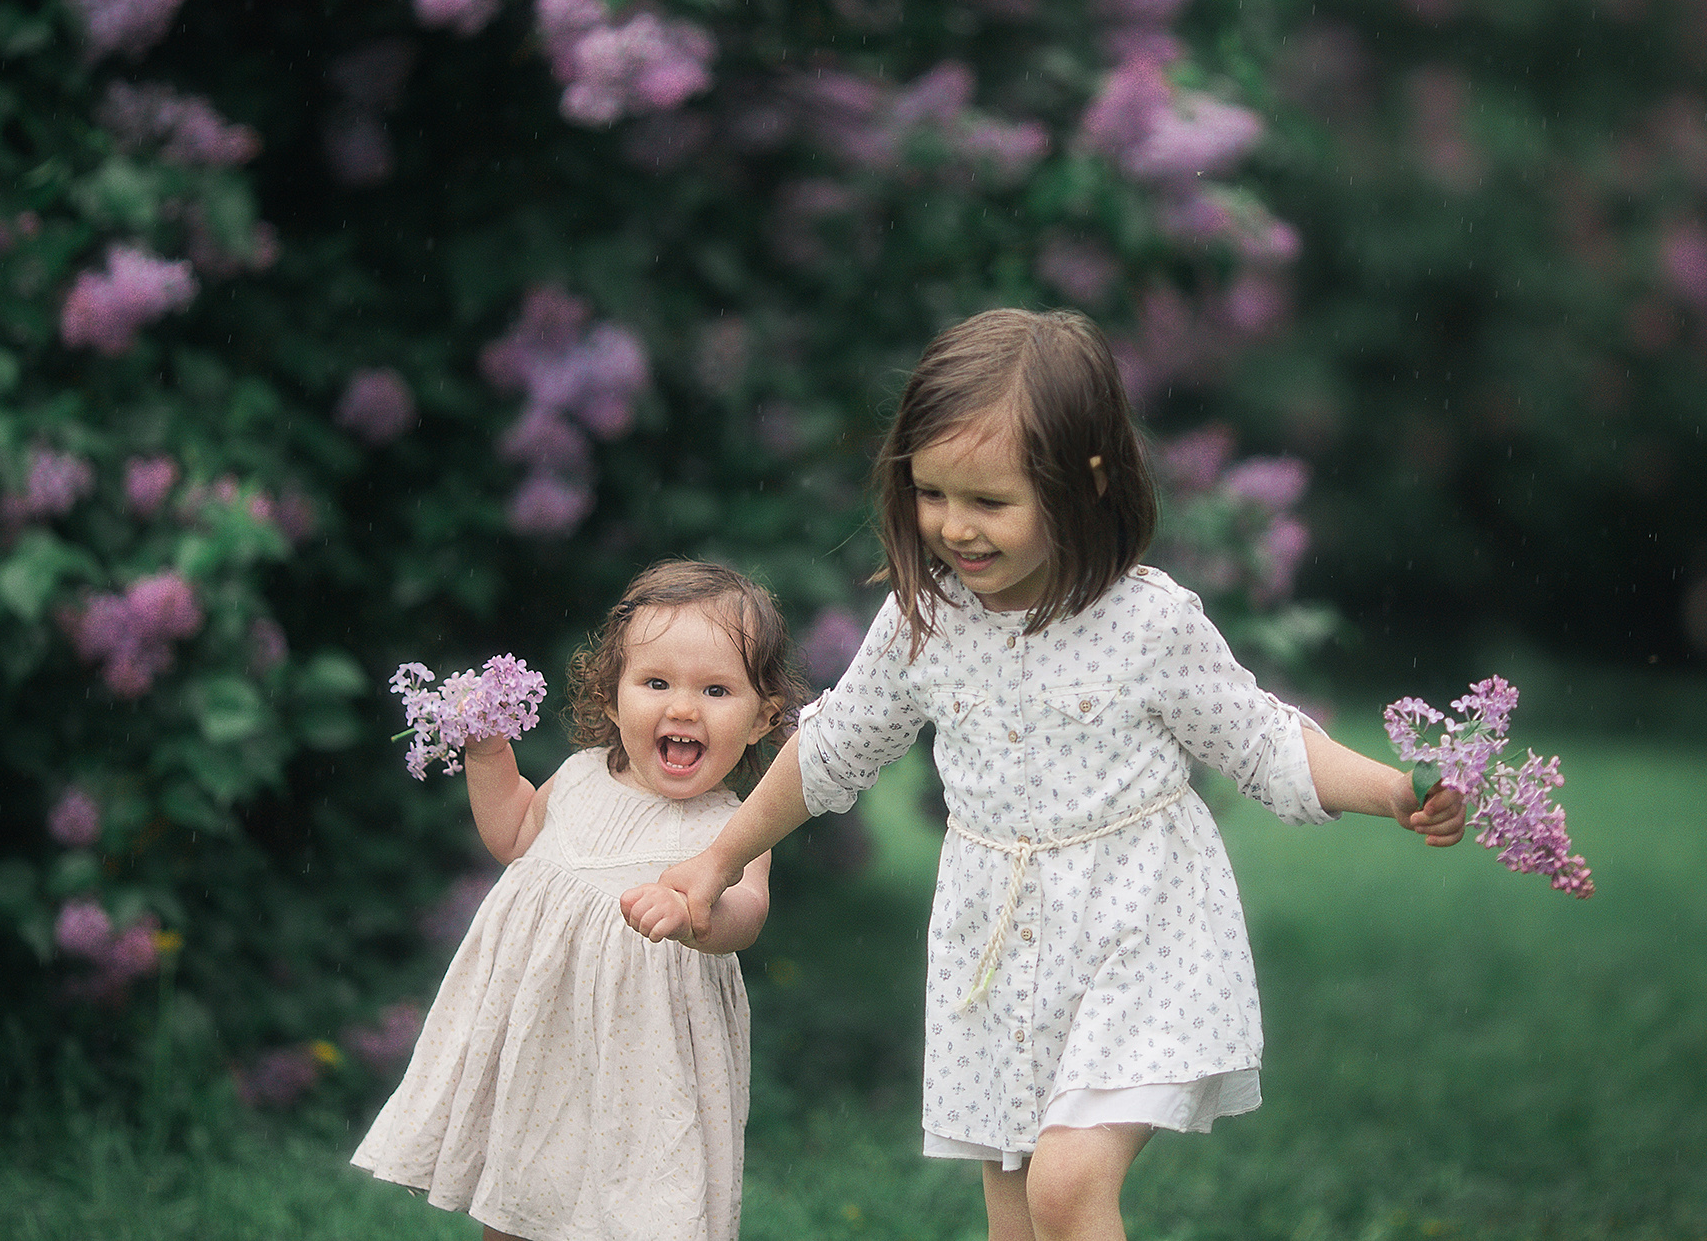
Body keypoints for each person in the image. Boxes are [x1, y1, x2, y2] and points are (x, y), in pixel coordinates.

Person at [627, 309, 1468, 1241]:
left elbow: (1264, 741)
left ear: (1085, 482)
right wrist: (718, 858)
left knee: (1068, 1186)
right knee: (1018, 1219)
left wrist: (1392, 789)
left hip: (1141, 929)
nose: (954, 526)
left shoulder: (1149, 622)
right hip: (995, 945)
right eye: (932, 493)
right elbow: (830, 752)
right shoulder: (924, 621)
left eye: (990, 501)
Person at [350, 560, 808, 1241]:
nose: (682, 707)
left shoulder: (736, 828)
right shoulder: (578, 778)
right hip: (541, 1043)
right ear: (614, 698)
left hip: (645, 1064)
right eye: (656, 682)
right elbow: (512, 835)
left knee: (634, 1210)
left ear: (760, 718)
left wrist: (695, 915)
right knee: (519, 1198)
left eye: (716, 689)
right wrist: (489, 755)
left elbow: (748, 913)